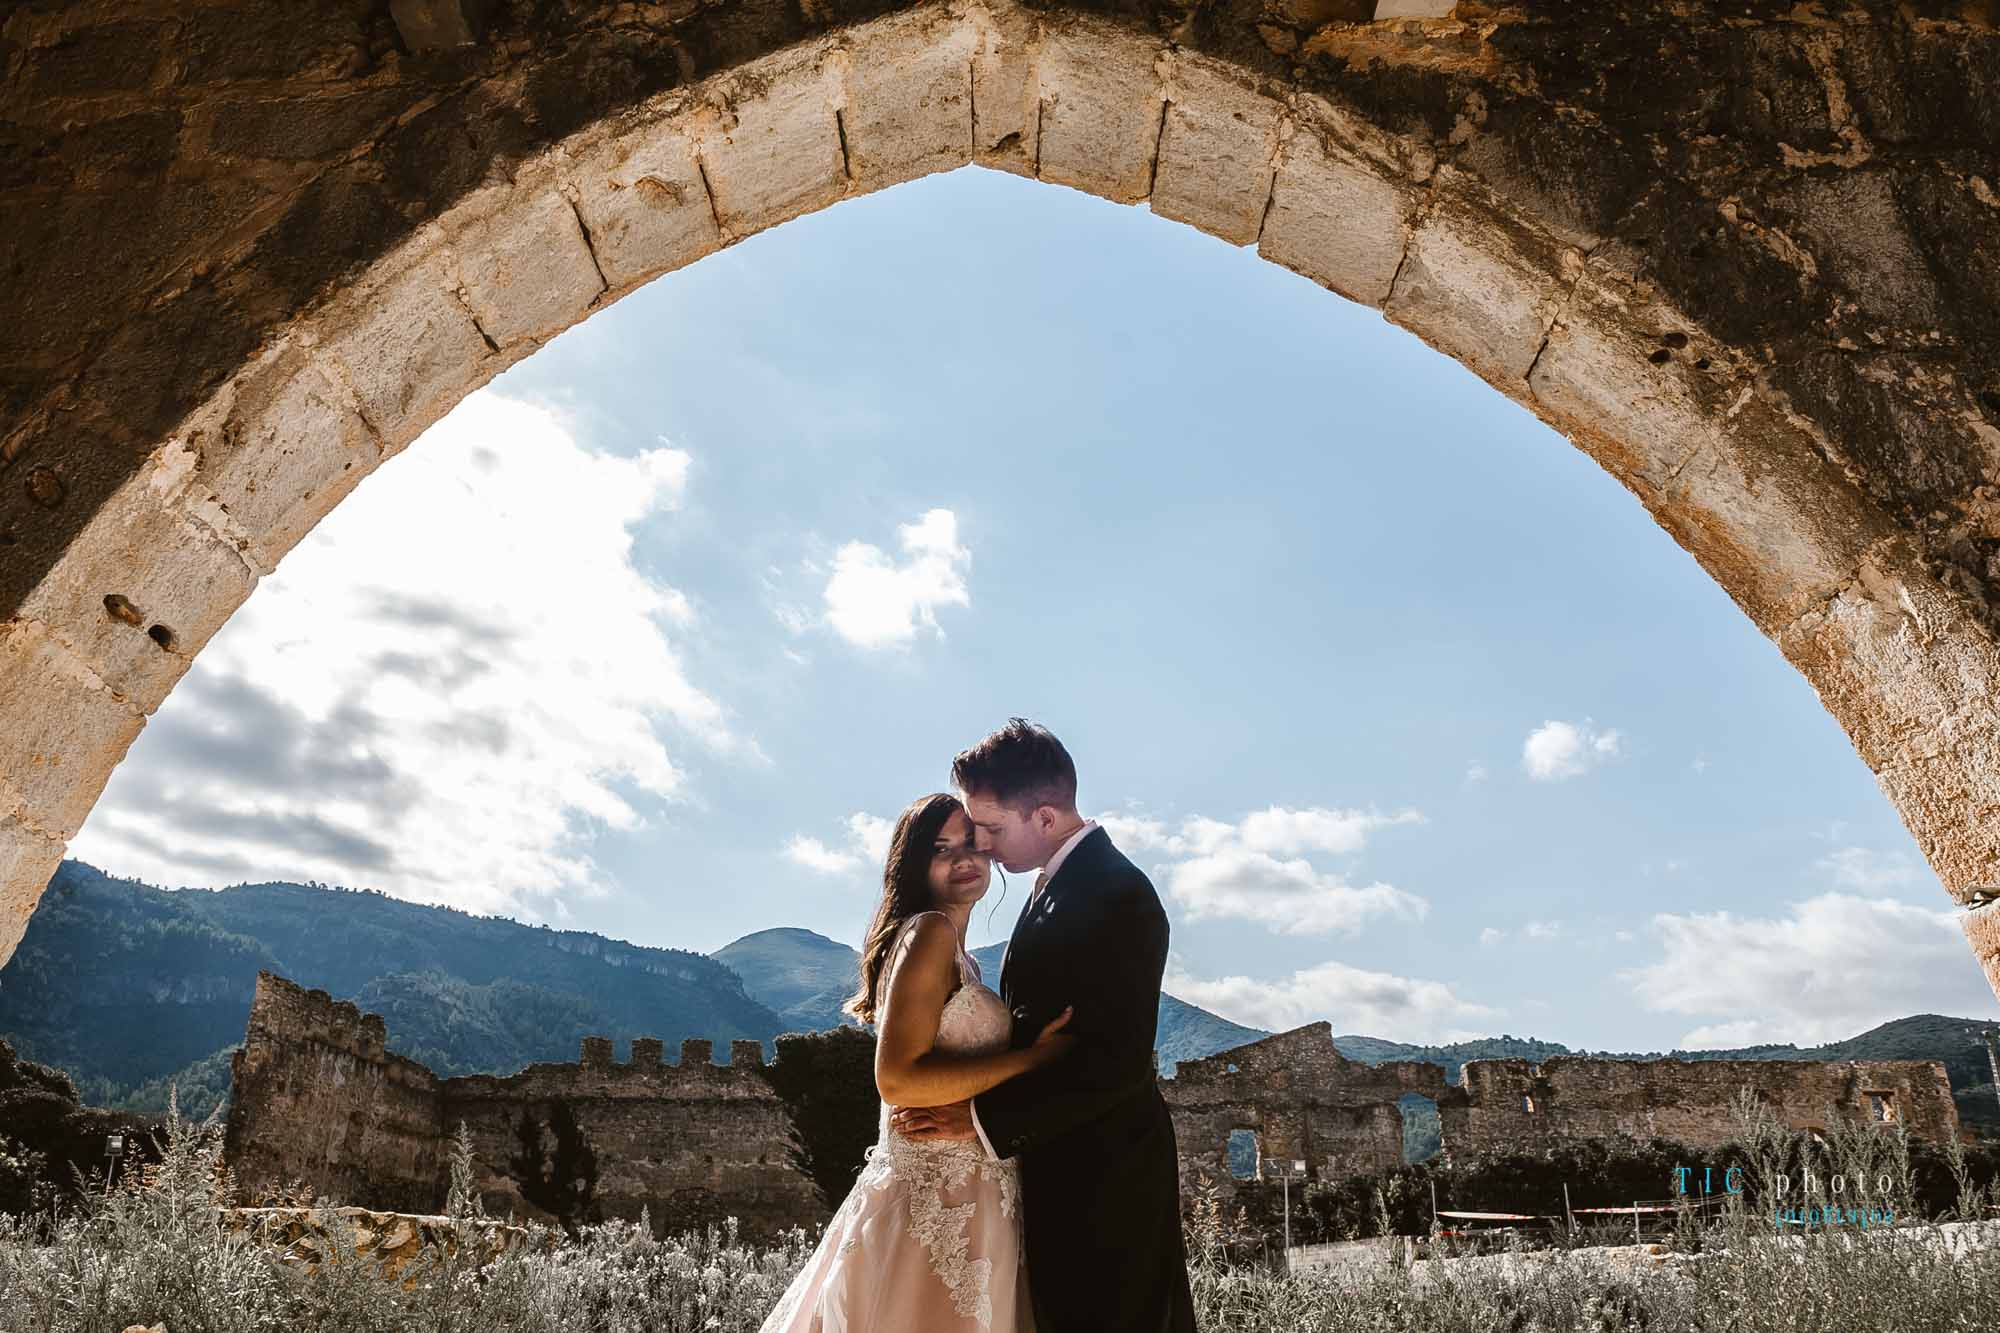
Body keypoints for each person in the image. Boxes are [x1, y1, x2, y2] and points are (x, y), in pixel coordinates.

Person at [892, 719, 1199, 1333]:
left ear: (1047, 817)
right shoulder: (1054, 888)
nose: (980, 844)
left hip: (1106, 1186)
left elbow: (1116, 1060)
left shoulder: (1117, 894)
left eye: (991, 829)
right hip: (1053, 1173)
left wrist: (978, 1121)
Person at [759, 791, 1077, 1333]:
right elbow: (898, 1079)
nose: (964, 860)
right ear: (913, 866)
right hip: (935, 1199)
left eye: (973, 845)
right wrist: (1030, 1060)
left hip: (970, 1191)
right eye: (941, 849)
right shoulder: (928, 933)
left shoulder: (961, 956)